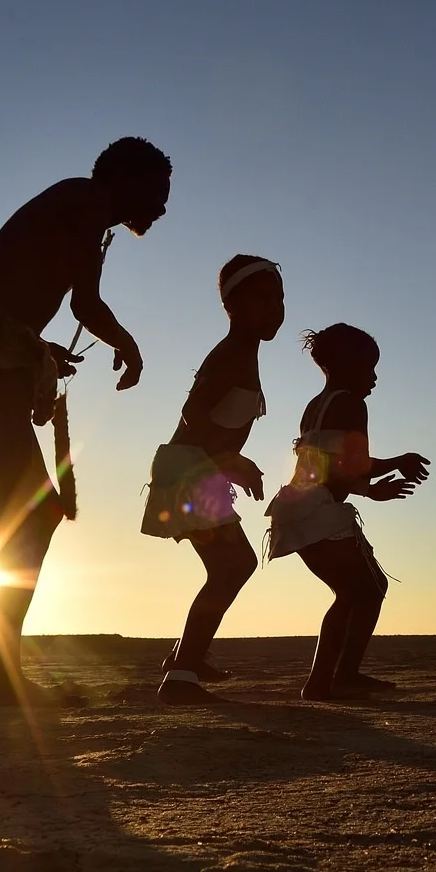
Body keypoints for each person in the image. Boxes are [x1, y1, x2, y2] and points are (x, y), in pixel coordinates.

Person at [0, 137, 170, 708]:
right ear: (127, 179)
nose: (162, 207)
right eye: (158, 191)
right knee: (31, 511)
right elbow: (86, 302)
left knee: (31, 513)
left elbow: (21, 287)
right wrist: (130, 347)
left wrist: (38, 348)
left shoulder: (80, 207)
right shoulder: (86, 198)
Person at [141, 256, 285, 705]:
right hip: (186, 471)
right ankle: (182, 674)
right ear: (234, 305)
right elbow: (194, 412)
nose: (277, 309)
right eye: (265, 300)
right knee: (233, 566)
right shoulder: (231, 354)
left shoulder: (243, 353)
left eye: (280, 299)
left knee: (229, 567)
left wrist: (230, 460)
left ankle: (186, 659)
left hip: (194, 469)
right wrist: (229, 458)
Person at [266, 325, 429, 700]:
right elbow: (351, 463)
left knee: (356, 590)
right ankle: (338, 678)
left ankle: (327, 680)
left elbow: (328, 464)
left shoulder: (315, 406)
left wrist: (370, 490)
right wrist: (396, 462)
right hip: (317, 510)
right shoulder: (352, 404)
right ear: (344, 364)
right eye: (368, 368)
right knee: (364, 589)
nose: (373, 378)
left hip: (298, 507)